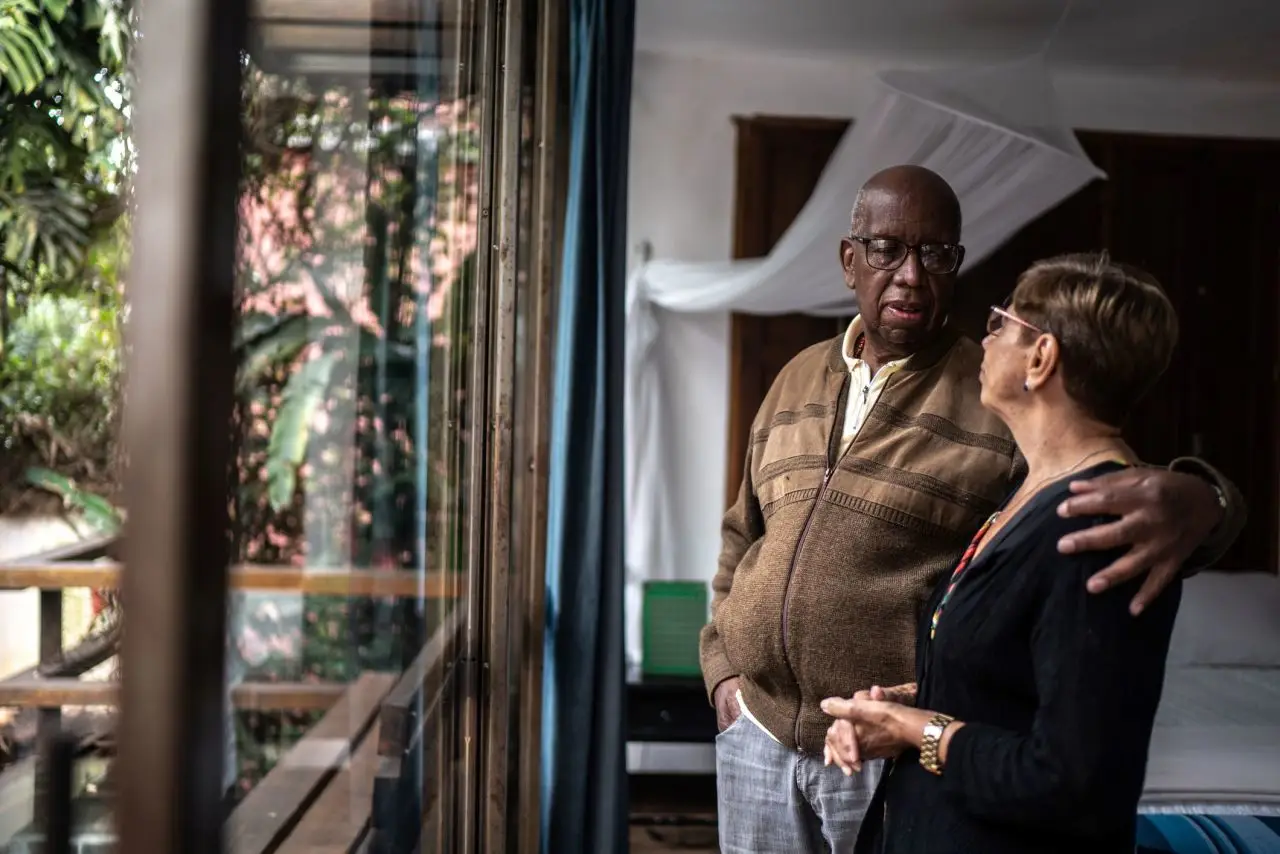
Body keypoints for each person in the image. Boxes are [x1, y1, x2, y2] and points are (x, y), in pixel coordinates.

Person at [701, 165, 1245, 854]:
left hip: (884, 754)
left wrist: (1208, 498)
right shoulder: (796, 377)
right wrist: (724, 676)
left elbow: (1114, 482)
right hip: (759, 727)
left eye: (935, 255)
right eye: (887, 249)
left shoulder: (996, 403)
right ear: (849, 259)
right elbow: (740, 535)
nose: (910, 274)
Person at [822, 253, 1188, 853]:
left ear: (1041, 359)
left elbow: (1073, 781)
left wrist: (916, 730)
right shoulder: (1025, 495)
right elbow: (1017, 684)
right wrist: (898, 710)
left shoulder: (1101, 528)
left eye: (1000, 323)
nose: (985, 339)